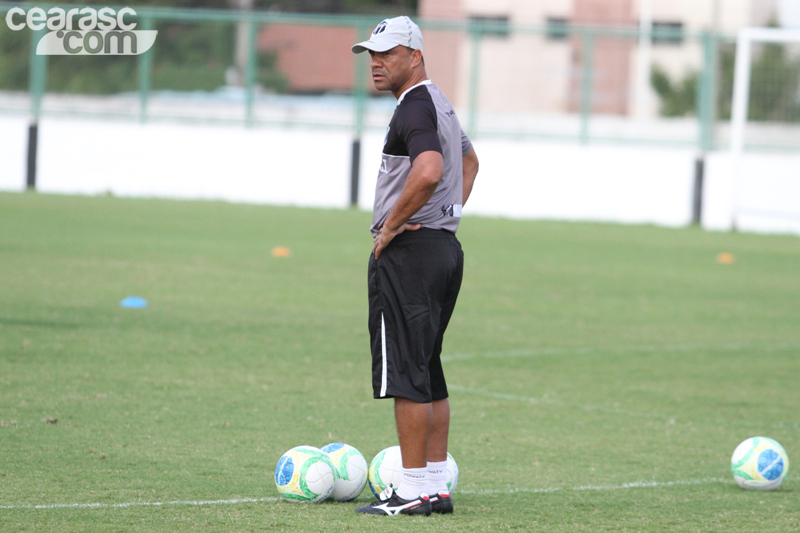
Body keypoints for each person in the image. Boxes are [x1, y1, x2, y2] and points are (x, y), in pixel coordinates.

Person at [351, 16, 479, 517]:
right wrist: (447, 215)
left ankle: (409, 490)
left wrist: (393, 226)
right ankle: (432, 486)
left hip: (413, 254)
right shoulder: (439, 101)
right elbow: (469, 163)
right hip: (445, 249)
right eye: (372, 55)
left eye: (387, 53)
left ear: (415, 55)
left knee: (407, 371)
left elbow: (430, 170)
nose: (377, 63)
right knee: (428, 369)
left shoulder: (414, 105)